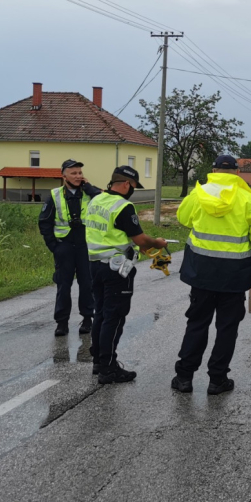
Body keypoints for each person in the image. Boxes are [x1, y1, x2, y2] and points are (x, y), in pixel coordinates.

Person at [172, 155, 251, 395]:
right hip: (234, 274)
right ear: (237, 173)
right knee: (227, 328)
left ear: (213, 170)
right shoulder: (247, 198)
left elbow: (183, 219)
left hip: (201, 272)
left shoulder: (198, 193)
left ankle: (184, 377)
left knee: (197, 323)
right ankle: (218, 379)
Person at [84, 165, 167, 385]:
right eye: (133, 187)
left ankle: (98, 362)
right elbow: (140, 239)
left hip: (95, 265)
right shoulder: (123, 206)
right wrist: (157, 243)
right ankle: (109, 368)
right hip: (116, 269)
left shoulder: (96, 201)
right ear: (127, 184)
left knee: (100, 313)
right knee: (114, 317)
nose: (133, 191)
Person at [39, 159, 103, 337]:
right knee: (63, 285)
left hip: (85, 246)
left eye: (80, 173)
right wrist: (54, 246)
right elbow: (44, 222)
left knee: (87, 284)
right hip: (64, 246)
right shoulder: (55, 195)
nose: (78, 176)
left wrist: (90, 188)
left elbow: (107, 203)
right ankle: (62, 323)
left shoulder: (90, 193)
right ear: (64, 176)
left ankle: (88, 319)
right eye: (74, 173)